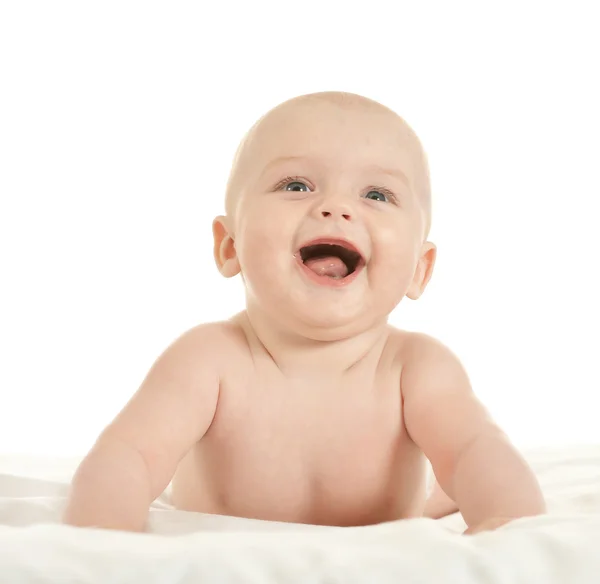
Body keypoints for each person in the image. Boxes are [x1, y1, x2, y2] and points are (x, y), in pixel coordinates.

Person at [63, 91, 546, 534]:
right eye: (296, 185)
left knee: (451, 485)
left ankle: (434, 499)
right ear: (230, 246)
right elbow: (128, 455)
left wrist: (508, 526)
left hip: (396, 517)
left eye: (376, 195)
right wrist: (105, 538)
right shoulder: (208, 359)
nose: (336, 207)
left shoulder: (415, 368)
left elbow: (475, 452)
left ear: (419, 269)